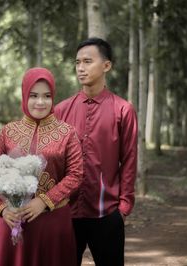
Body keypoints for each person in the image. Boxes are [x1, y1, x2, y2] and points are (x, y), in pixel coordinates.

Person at [0, 67, 83, 266]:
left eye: (47, 96)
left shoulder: (67, 133)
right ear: (24, 96)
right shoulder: (8, 132)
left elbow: (76, 174)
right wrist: (3, 209)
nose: (40, 102)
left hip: (53, 222)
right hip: (13, 221)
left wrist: (44, 201)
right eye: (34, 95)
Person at [55, 37, 138, 266]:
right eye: (77, 62)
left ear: (107, 66)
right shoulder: (61, 110)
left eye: (88, 61)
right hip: (65, 213)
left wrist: (123, 207)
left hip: (107, 213)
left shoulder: (123, 110)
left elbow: (129, 159)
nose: (81, 68)